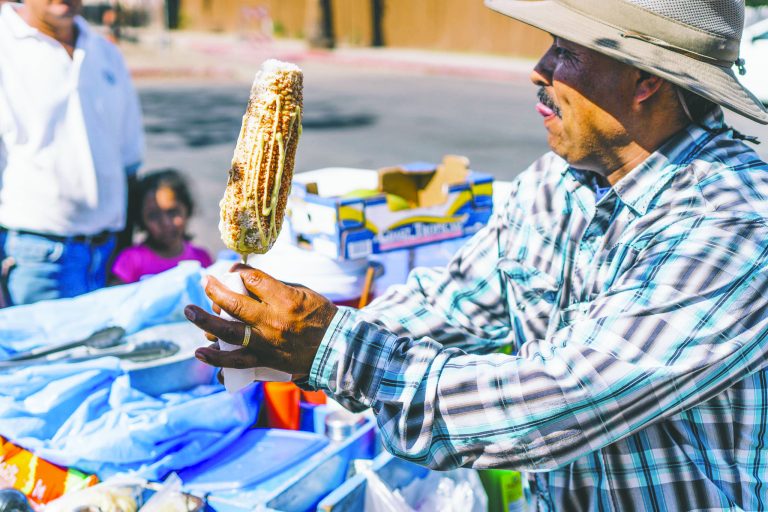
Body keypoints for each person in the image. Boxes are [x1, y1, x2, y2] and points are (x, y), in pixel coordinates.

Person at [185, 0, 768, 509]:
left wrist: (337, 348)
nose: (539, 70)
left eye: (568, 54)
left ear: (646, 81)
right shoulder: (559, 182)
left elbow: (560, 399)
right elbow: (458, 301)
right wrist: (281, 342)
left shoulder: (737, 222)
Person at [0, 0, 144, 306]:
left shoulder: (105, 53)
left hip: (108, 256)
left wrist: (127, 249)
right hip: (35, 262)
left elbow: (129, 161)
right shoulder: (5, 45)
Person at [111, 169, 213, 284]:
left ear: (187, 210)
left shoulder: (201, 259)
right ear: (141, 219)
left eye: (173, 212)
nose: (165, 223)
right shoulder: (130, 261)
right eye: (153, 215)